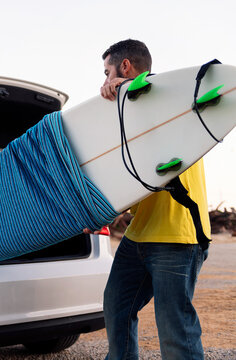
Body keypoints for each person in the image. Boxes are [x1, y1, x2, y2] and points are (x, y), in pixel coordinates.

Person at [91, 39, 211, 360]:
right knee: (116, 308)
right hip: (138, 235)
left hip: (176, 236)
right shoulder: (125, 116)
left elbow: (169, 90)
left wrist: (129, 87)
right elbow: (130, 174)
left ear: (125, 67)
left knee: (175, 331)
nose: (104, 80)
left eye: (107, 71)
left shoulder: (171, 99)